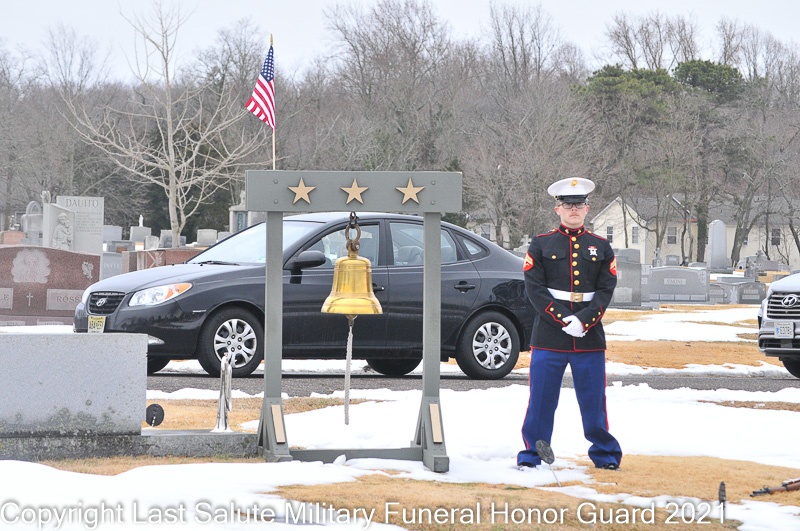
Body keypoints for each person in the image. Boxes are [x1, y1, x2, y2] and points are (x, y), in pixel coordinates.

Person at [517, 177, 622, 470]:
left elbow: (606, 289)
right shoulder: (541, 244)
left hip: (589, 337)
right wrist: (564, 319)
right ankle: (532, 455)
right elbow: (534, 289)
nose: (573, 209)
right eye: (568, 205)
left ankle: (605, 455)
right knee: (540, 402)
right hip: (549, 335)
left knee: (593, 403)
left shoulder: (601, 246)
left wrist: (584, 321)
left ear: (587, 208)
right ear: (557, 209)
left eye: (579, 204)